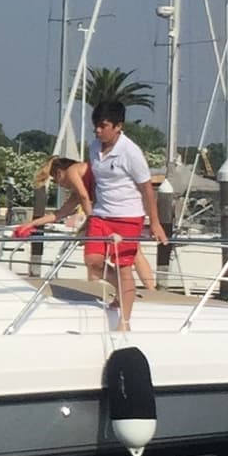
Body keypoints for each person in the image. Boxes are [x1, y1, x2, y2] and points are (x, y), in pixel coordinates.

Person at [13, 152, 160, 298]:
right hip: (124, 206)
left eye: (56, 180)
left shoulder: (72, 171)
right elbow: (60, 214)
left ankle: (127, 288)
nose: (60, 185)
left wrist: (92, 221)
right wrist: (31, 224)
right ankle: (148, 290)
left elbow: (84, 197)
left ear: (59, 173)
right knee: (131, 252)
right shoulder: (77, 185)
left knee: (98, 256)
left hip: (117, 208)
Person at [84, 100, 166, 327]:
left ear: (118, 126)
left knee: (123, 266)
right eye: (96, 127)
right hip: (101, 213)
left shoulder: (130, 152)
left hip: (128, 216)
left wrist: (155, 223)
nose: (98, 131)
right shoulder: (93, 148)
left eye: (103, 126)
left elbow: (146, 189)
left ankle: (125, 320)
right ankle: (121, 289)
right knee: (92, 261)